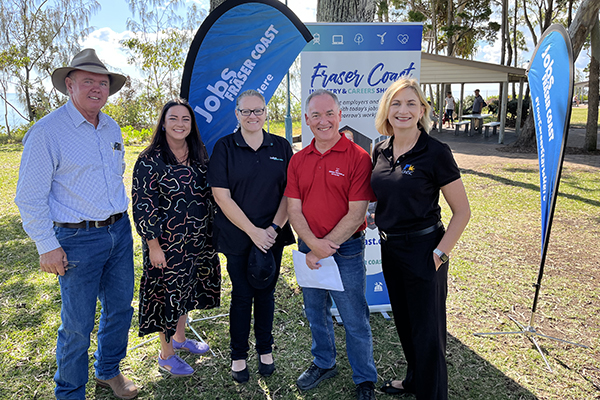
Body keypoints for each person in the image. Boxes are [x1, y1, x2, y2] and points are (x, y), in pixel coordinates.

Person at [14, 48, 138, 400]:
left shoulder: (111, 126)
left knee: (119, 309)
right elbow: (29, 196)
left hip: (119, 231)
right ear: (70, 85)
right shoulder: (47, 132)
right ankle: (69, 392)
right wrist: (46, 245)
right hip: (76, 239)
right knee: (77, 325)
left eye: (103, 82)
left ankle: (108, 371)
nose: (98, 88)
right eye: (88, 82)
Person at [371, 78, 470, 399]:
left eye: (411, 103)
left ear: (422, 110)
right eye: (396, 103)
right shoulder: (379, 148)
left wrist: (439, 254)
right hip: (390, 248)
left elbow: (462, 212)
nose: (403, 110)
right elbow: (384, 194)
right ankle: (414, 380)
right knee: (405, 322)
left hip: (425, 250)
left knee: (428, 333)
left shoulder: (436, 151)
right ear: (387, 109)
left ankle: (432, 394)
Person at [285, 89, 378, 400]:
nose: (322, 121)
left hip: (347, 249)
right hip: (307, 249)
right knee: (315, 311)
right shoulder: (298, 160)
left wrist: (325, 246)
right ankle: (324, 362)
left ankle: (365, 378)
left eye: (329, 114)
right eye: (315, 115)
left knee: (354, 316)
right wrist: (312, 245)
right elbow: (293, 208)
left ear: (339, 116)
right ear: (308, 120)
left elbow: (357, 212)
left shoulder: (358, 157)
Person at [207, 89, 295, 384]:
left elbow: (290, 193)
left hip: (272, 235)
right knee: (243, 295)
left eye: (258, 110)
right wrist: (253, 232)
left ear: (266, 112)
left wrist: (271, 230)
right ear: (237, 114)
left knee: (266, 293)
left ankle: (266, 351)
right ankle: (238, 355)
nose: (252, 116)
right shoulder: (225, 147)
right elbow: (221, 196)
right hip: (237, 235)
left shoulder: (281, 146)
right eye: (246, 111)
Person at [132, 99, 221, 377]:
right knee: (167, 296)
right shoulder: (149, 160)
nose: (180, 124)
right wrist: (153, 245)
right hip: (167, 245)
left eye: (186, 119)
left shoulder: (199, 153)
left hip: (198, 241)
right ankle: (166, 354)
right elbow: (143, 205)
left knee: (187, 292)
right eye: (173, 118)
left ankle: (180, 339)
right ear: (163, 122)